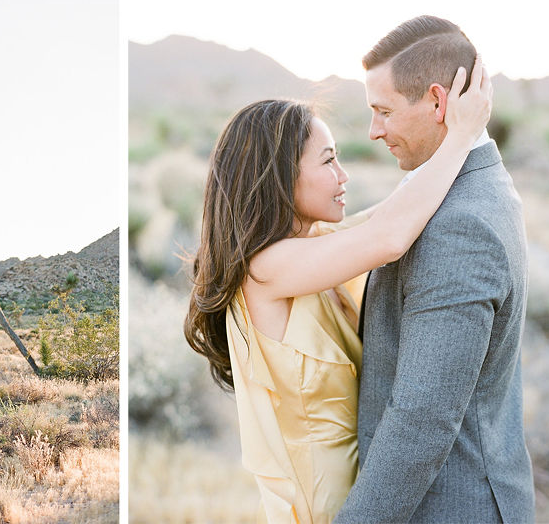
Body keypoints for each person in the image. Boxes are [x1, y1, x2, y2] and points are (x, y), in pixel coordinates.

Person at [184, 56, 492, 521]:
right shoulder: (265, 270)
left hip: (365, 498)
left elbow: (400, 210)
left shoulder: (315, 246)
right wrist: (463, 136)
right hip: (320, 510)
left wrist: (445, 131)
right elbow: (389, 236)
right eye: (328, 161)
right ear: (279, 176)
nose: (343, 175)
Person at [334, 16, 534, 523]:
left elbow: (421, 422)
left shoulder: (459, 226)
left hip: (454, 506)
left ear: (438, 102)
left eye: (383, 111)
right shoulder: (468, 185)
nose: (373, 130)